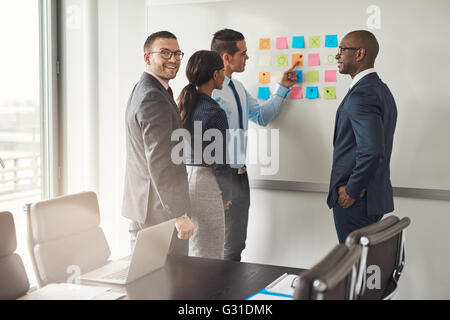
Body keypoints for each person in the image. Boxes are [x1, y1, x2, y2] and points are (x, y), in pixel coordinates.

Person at [211, 28, 298, 261]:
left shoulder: (238, 89)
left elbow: (261, 116)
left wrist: (282, 88)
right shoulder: (208, 91)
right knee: (220, 246)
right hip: (220, 176)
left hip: (240, 175)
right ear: (226, 57)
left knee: (236, 244)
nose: (247, 57)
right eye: (243, 53)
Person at [122, 31, 195, 254]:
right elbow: (161, 160)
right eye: (164, 53)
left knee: (154, 283)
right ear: (147, 57)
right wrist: (179, 214)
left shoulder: (145, 88)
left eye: (177, 53)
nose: (173, 59)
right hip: (158, 213)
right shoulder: (152, 96)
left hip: (147, 207)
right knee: (168, 284)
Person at [327, 30, 397, 244]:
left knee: (355, 269)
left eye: (342, 49)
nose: (337, 55)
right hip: (370, 198)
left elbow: (372, 151)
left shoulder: (362, 94)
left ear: (359, 54)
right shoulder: (379, 89)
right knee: (367, 268)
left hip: (356, 201)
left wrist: (352, 190)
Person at [177, 50, 232, 259]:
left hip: (187, 178)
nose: (224, 77)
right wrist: (226, 194)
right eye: (222, 73)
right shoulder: (213, 111)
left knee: (198, 248)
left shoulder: (183, 103)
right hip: (206, 182)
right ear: (216, 74)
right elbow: (221, 161)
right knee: (209, 252)